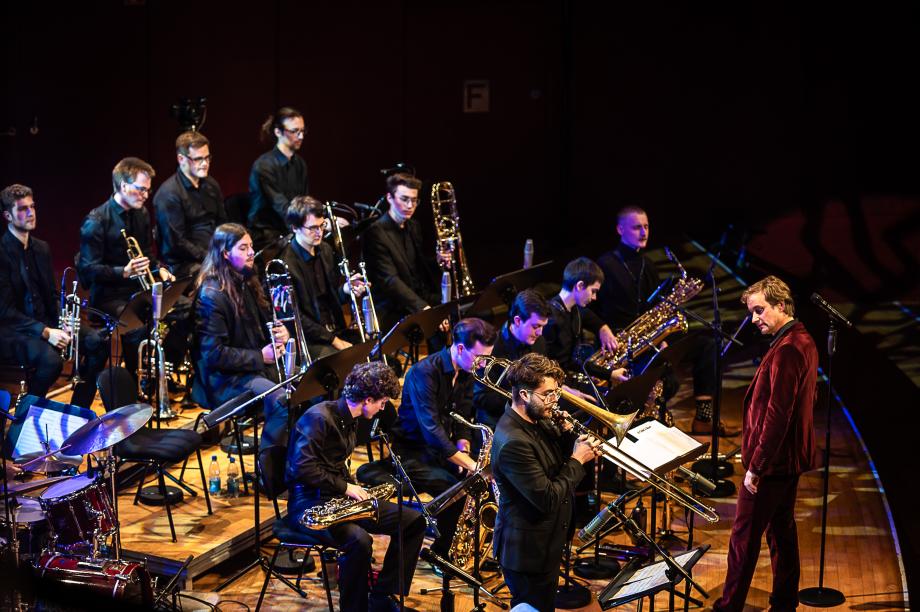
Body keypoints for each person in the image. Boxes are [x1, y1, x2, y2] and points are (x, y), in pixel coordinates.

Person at [713, 275, 818, 612]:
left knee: (744, 537)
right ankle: (785, 600)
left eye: (759, 311)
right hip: (789, 459)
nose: (754, 319)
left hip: (772, 462)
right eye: (752, 312)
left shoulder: (788, 349)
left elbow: (778, 415)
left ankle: (730, 606)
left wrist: (756, 466)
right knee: (782, 530)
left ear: (781, 306)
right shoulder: (802, 339)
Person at [286, 360, 426, 612]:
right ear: (368, 399)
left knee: (414, 521)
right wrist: (345, 488)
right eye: (382, 402)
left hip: (338, 498)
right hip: (308, 504)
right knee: (359, 541)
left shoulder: (350, 419)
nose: (383, 408)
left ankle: (383, 596)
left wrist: (352, 487)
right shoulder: (318, 418)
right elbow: (302, 468)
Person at [595, 206, 734, 435]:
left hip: (651, 337)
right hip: (621, 342)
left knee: (707, 345)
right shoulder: (605, 264)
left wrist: (664, 337)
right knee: (669, 382)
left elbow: (655, 310)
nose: (644, 232)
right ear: (620, 230)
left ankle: (703, 417)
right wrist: (602, 327)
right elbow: (590, 306)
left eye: (647, 226)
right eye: (637, 227)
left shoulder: (647, 265)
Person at [491, 352, 599, 611]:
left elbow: (552, 466)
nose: (554, 401)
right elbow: (548, 498)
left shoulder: (534, 419)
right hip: (527, 554)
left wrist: (564, 437)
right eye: (547, 394)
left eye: (556, 393)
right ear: (525, 395)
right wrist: (577, 459)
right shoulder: (514, 441)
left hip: (544, 544)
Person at [388, 318, 496, 560]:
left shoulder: (467, 372)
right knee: (453, 491)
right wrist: (469, 465)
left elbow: (463, 416)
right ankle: (443, 554)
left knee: (479, 488)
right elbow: (431, 430)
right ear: (459, 348)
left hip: (438, 451)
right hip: (409, 453)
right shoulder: (422, 372)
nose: (483, 365)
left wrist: (464, 445)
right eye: (480, 358)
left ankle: (467, 547)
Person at [0, 184, 108, 407]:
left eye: (32, 206)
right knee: (51, 360)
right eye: (22, 209)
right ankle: (27, 415)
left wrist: (65, 322)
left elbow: (51, 296)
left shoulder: (42, 248)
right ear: (8, 216)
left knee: (98, 343)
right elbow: (5, 311)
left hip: (45, 323)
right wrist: (46, 332)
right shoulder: (2, 253)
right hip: (14, 330)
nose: (30, 213)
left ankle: (77, 410)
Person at [191, 223, 290, 449]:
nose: (252, 252)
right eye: (243, 248)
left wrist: (279, 333)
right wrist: (260, 356)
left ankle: (296, 461)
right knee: (282, 400)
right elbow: (213, 355)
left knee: (308, 384)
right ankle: (271, 471)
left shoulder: (247, 280)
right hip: (224, 379)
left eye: (251, 247)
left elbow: (258, 328)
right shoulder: (212, 294)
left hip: (250, 368)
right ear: (226, 253)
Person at [78, 157, 175, 376]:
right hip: (108, 296)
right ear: (123, 186)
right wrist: (124, 272)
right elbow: (87, 271)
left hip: (135, 292)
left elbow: (147, 254)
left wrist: (158, 269)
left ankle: (152, 378)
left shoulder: (140, 214)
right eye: (141, 189)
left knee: (177, 310)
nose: (146, 195)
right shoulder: (96, 221)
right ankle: (134, 382)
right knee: (138, 327)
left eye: (148, 190)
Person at [281, 196, 366, 360]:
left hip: (335, 330)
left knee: (375, 351)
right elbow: (297, 319)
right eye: (312, 228)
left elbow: (330, 298)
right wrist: (334, 340)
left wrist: (345, 290)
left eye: (322, 226)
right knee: (344, 363)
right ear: (294, 228)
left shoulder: (325, 250)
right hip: (311, 340)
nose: (319, 233)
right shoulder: (286, 266)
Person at [362, 172, 444, 334]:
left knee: (472, 312)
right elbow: (389, 281)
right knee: (437, 327)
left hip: (417, 295)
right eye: (404, 199)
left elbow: (419, 267)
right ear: (390, 198)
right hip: (392, 305)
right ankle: (438, 358)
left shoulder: (413, 226)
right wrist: (423, 308)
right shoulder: (375, 233)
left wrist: (439, 260)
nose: (409, 206)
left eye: (414, 200)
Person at [473, 289, 551, 431]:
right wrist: (520, 398)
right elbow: (480, 397)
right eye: (536, 326)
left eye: (542, 327)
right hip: (499, 419)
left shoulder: (540, 342)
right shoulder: (491, 348)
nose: (540, 333)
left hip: (531, 414)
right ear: (517, 320)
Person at [154, 130, 227, 279]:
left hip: (212, 255)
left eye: (207, 158)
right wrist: (210, 257)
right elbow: (177, 244)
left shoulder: (211, 185)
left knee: (249, 269)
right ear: (181, 159)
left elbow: (222, 223)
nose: (205, 163)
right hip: (185, 264)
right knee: (219, 278)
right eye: (198, 159)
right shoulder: (168, 194)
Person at [543, 257, 622, 387]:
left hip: (565, 381)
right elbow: (545, 367)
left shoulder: (575, 311)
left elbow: (574, 361)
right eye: (593, 291)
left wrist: (610, 374)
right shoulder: (550, 319)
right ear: (580, 285)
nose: (594, 297)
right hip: (556, 386)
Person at [248, 107, 309, 251]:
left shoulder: (300, 164)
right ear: (278, 132)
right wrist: (305, 227)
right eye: (294, 131)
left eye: (302, 131)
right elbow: (282, 207)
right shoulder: (264, 165)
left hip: (290, 229)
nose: (301, 136)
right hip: (267, 235)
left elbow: (303, 203)